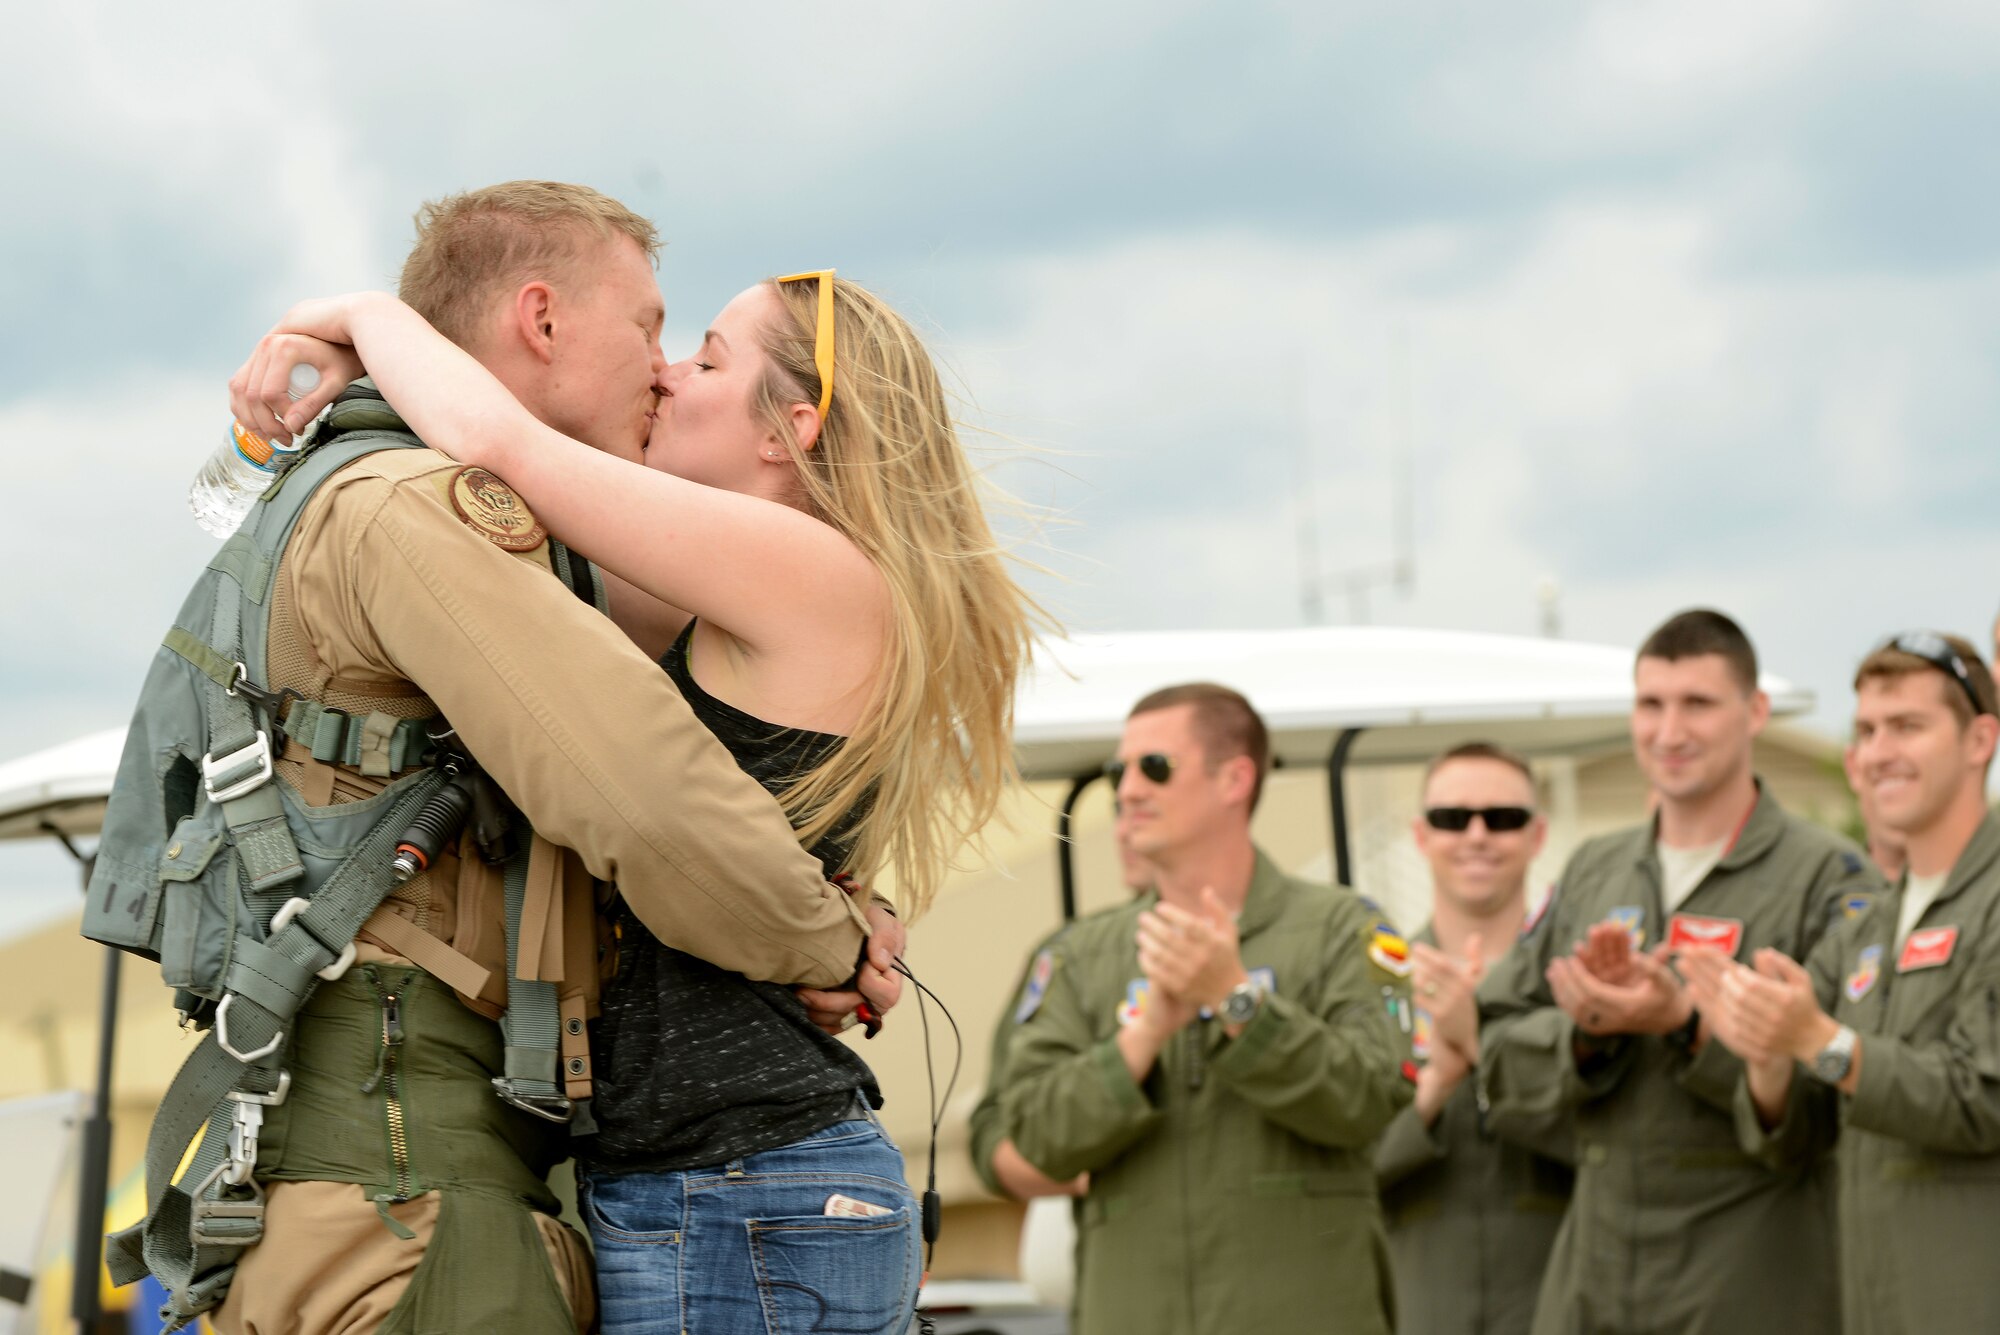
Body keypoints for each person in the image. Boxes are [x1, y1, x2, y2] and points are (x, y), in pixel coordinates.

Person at [240, 255, 1039, 1334]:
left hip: (738, 1181)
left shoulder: (798, 564)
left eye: (706, 357)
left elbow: (505, 447)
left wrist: (358, 311)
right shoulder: (756, 586)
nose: (666, 375)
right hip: (716, 1181)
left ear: (788, 428)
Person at [1476, 609, 1882, 1335]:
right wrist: (1584, 1036)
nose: (1669, 731)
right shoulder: (1594, 868)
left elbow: (1833, 1106)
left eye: (1697, 702)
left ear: (1755, 710)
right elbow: (1496, 1056)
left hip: (1749, 1277)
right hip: (1593, 1280)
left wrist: (1687, 1026)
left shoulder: (1830, 879)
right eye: (1650, 703)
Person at [998, 683, 1414, 1335]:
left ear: (1235, 779)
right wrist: (1139, 1041)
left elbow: (1371, 1096)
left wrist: (1237, 1000)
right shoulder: (1080, 954)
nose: (1128, 788)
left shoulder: (1342, 928)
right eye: (1119, 771)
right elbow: (1030, 1134)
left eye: (1154, 766)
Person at [1680, 632, 2000, 1335]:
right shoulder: (1867, 928)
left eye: (1908, 726)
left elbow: (1983, 1096)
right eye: (1866, 730)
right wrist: (1767, 1056)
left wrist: (1822, 1042)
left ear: (1980, 739)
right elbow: (1793, 1138)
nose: (1879, 751)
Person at [1374, 742, 1573, 1335]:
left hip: (1558, 1304)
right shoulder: (1370, 986)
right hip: (1416, 1306)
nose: (1477, 836)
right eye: (1452, 819)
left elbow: (1619, 1147)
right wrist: (1434, 1088)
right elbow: (1341, 1168)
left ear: (1537, 836)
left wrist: (1484, 1044)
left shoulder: (1580, 984)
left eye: (1504, 819)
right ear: (1420, 835)